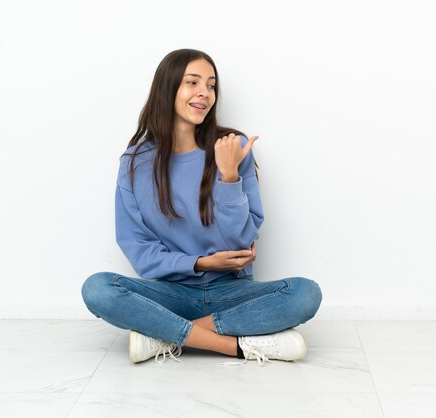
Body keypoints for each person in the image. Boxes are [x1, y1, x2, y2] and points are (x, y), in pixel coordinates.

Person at [80, 49, 322, 367]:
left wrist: (229, 175)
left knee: (305, 294)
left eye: (211, 85)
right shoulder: (135, 163)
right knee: (98, 288)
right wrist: (201, 262)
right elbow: (138, 251)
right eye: (192, 82)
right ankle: (235, 346)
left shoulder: (232, 147)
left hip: (230, 291)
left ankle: (164, 335)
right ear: (167, 89)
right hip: (170, 292)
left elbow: (241, 241)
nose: (203, 93)